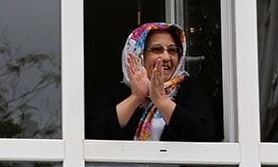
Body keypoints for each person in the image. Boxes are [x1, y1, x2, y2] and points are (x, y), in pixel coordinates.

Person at [87, 22, 215, 141]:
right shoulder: (116, 93)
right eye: (157, 49)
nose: (166, 57)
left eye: (172, 50)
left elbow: (204, 137)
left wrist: (161, 101)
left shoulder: (188, 88)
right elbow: (94, 136)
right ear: (138, 54)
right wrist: (136, 97)